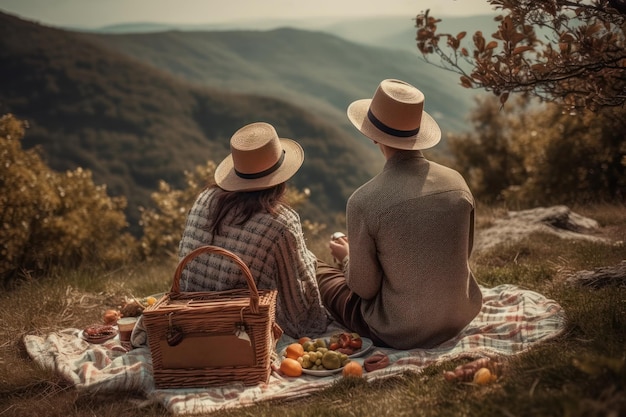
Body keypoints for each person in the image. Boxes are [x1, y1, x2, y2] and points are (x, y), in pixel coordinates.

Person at [317, 79, 483, 350]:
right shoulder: (457, 183)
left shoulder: (363, 201)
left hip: (399, 330)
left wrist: (347, 258)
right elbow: (463, 253)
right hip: (459, 315)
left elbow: (364, 289)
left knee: (320, 273)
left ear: (372, 135)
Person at [177, 121, 330, 339]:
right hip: (241, 329)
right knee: (319, 270)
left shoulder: (205, 199)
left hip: (187, 320)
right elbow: (300, 304)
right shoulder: (280, 223)